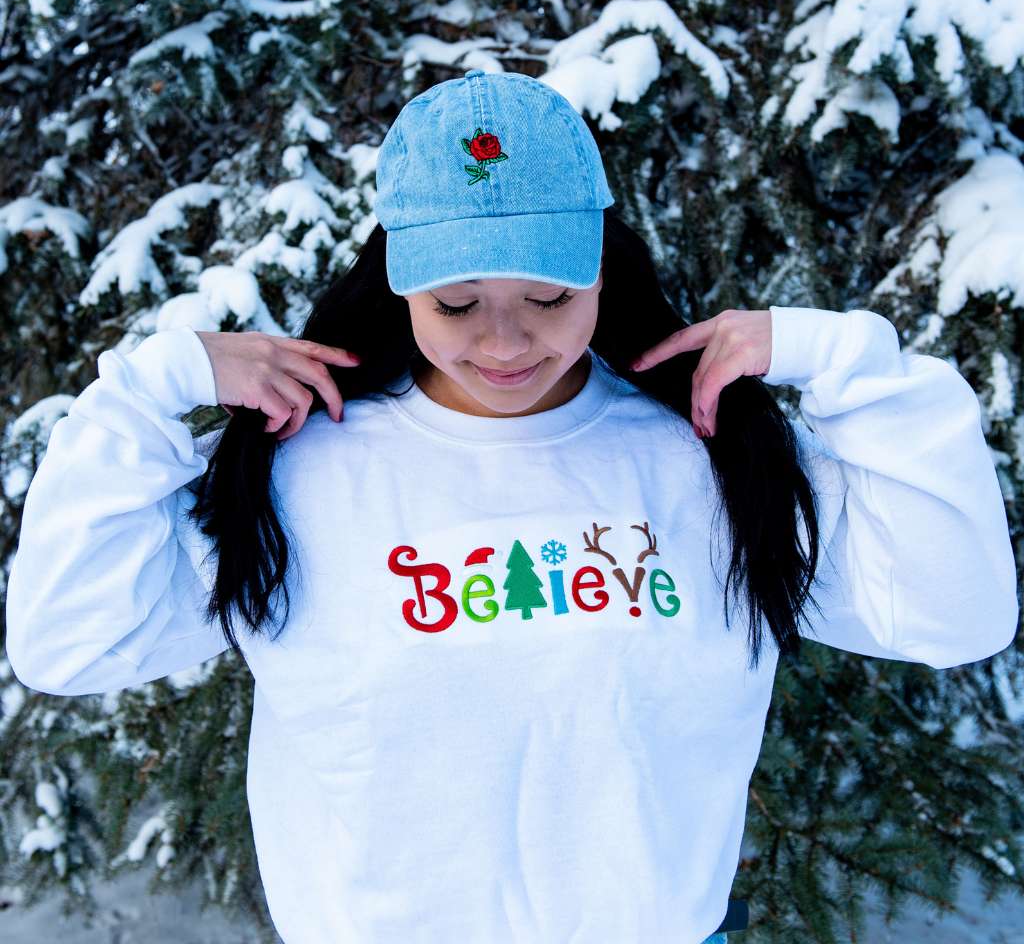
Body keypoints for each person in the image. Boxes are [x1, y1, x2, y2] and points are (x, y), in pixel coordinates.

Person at [5, 70, 1018, 944]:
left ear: (600, 271)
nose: (504, 342)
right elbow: (70, 644)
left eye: (548, 296)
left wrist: (837, 360)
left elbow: (955, 613)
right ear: (398, 280)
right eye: (456, 303)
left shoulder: (702, 454)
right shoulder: (301, 467)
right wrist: (149, 390)